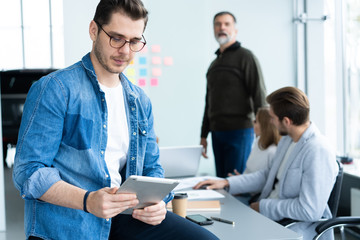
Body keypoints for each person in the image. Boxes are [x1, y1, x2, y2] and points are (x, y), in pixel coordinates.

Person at [12, 1, 218, 239]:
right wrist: (88, 200)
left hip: (122, 217)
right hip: (70, 222)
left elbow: (152, 167)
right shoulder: (55, 89)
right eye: (117, 38)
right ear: (93, 30)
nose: (126, 51)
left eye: (134, 41)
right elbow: (28, 172)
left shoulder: (140, 101)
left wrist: (159, 203)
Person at [195, 87, 339, 239]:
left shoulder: (318, 150)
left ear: (286, 121)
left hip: (293, 226)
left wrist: (264, 206)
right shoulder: (287, 140)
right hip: (271, 217)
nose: (270, 121)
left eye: (273, 117)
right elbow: (267, 175)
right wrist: (227, 183)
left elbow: (309, 210)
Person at [200, 11, 267, 178]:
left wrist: (265, 130)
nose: (221, 27)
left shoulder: (246, 57)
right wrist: (203, 135)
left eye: (226, 24)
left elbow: (259, 94)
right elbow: (209, 102)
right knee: (221, 183)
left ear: (235, 30)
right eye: (217, 24)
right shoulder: (214, 64)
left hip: (240, 131)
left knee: (236, 184)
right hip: (217, 132)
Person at [229, 107, 281, 176]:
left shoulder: (272, 152)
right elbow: (250, 174)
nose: (253, 122)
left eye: (256, 121)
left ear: (264, 126)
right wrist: (240, 178)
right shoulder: (258, 142)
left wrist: (241, 182)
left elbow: (262, 182)